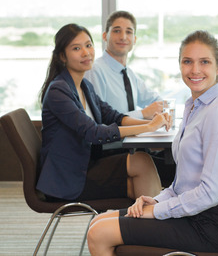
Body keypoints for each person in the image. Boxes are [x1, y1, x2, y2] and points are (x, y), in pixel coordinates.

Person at [87, 30, 218, 255]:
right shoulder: (194, 106)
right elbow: (183, 183)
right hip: (191, 212)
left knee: (99, 233)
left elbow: (210, 193)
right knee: (97, 222)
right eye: (187, 61)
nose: (195, 70)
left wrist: (157, 211)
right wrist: (157, 200)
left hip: (207, 224)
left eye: (204, 62)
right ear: (180, 65)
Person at [37, 24, 171, 202]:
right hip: (66, 177)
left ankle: (148, 224)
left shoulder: (85, 86)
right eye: (77, 48)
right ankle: (154, 223)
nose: (86, 52)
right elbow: (94, 133)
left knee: (142, 166)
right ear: (62, 56)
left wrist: (155, 122)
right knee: (142, 164)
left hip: (84, 164)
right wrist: (148, 127)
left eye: (88, 45)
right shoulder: (58, 91)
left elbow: (115, 117)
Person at [84, 10, 163, 120]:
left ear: (134, 39)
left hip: (134, 136)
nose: (123, 37)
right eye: (117, 31)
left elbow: (157, 100)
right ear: (104, 36)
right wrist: (143, 113)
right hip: (111, 137)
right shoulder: (94, 70)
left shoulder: (129, 74)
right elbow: (97, 119)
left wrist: (161, 110)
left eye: (129, 32)